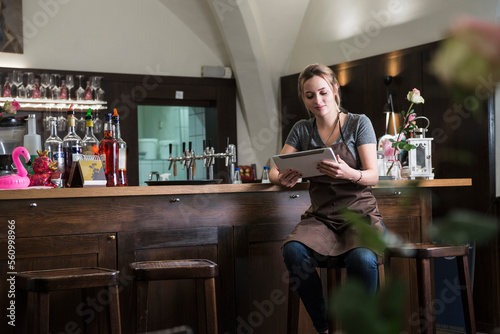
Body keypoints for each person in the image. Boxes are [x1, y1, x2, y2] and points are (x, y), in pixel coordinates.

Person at [269, 63, 385, 334]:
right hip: (321, 218)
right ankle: (324, 327)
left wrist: (349, 172)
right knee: (293, 250)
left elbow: (373, 176)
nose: (317, 101)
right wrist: (281, 179)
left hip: (360, 215)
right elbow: (274, 169)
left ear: (335, 90)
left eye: (322, 92)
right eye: (309, 96)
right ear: (303, 98)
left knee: (362, 259)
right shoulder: (301, 129)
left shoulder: (359, 123)